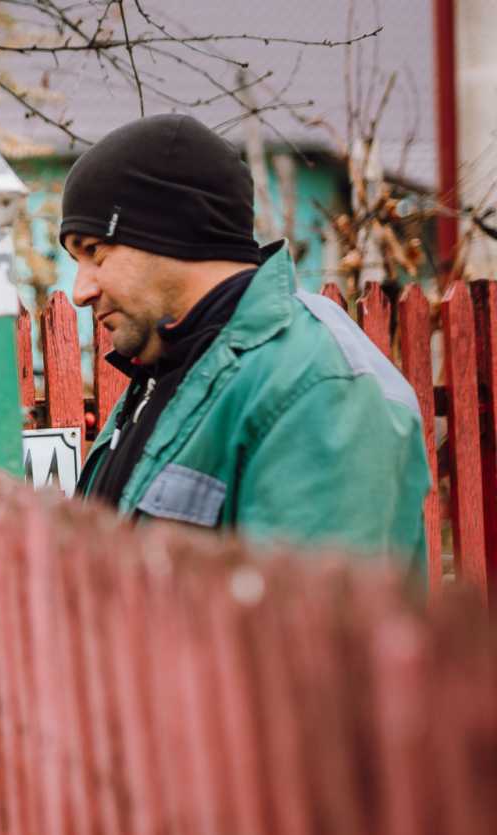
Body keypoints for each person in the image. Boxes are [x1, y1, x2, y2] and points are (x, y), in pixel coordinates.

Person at [61, 114, 431, 573]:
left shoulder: (319, 385)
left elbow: (313, 632)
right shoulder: (166, 375)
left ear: (171, 230)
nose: (81, 291)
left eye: (94, 251)